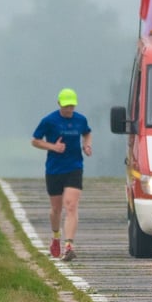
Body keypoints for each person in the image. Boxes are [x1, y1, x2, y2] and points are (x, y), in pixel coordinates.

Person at [31, 87, 92, 261]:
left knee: (71, 205)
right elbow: (35, 141)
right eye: (66, 106)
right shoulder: (49, 120)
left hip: (74, 167)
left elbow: (87, 132)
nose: (69, 110)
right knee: (56, 209)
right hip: (54, 169)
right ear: (59, 104)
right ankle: (56, 236)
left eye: (72, 106)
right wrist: (53, 147)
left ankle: (69, 245)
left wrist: (87, 145)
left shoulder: (81, 120)